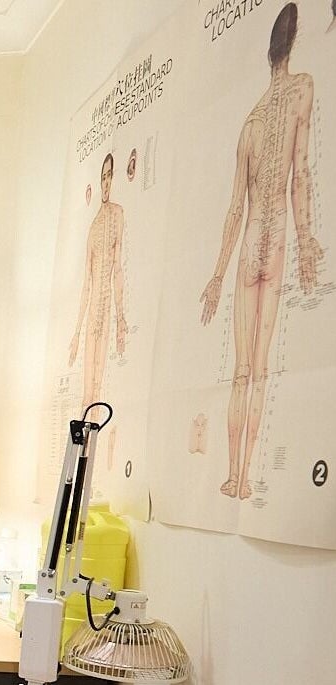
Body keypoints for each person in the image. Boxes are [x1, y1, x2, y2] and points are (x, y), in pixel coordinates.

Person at [201, 2, 324, 500]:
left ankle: (235, 476)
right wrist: (305, 238)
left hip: (251, 239)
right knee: (261, 364)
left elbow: (235, 210)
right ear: (292, 45)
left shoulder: (250, 121)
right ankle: (246, 476)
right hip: (272, 247)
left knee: (241, 370)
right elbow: (300, 174)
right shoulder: (303, 89)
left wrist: (217, 274)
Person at [68, 153, 128, 411]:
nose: (105, 182)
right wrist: (77, 332)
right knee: (87, 394)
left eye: (109, 176)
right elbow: (86, 284)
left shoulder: (117, 214)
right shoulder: (93, 228)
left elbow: (117, 268)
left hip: (106, 313)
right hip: (93, 312)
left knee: (99, 390)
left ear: (113, 179)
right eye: (102, 177)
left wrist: (121, 317)